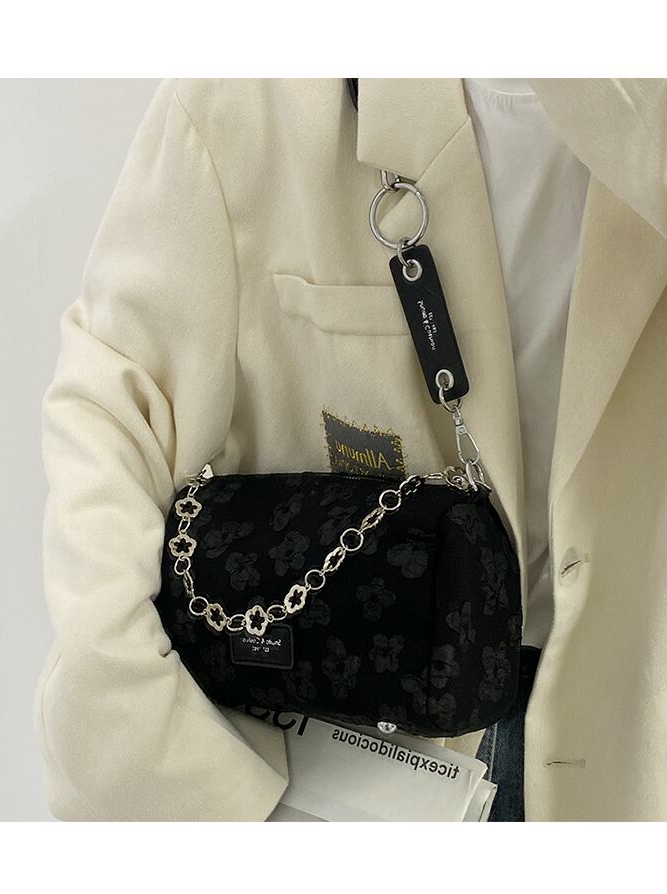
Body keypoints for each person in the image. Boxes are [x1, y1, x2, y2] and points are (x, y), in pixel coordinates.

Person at [35, 78, 667, 821]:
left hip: (634, 744)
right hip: (351, 763)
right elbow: (113, 413)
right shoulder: (252, 92)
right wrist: (171, 768)